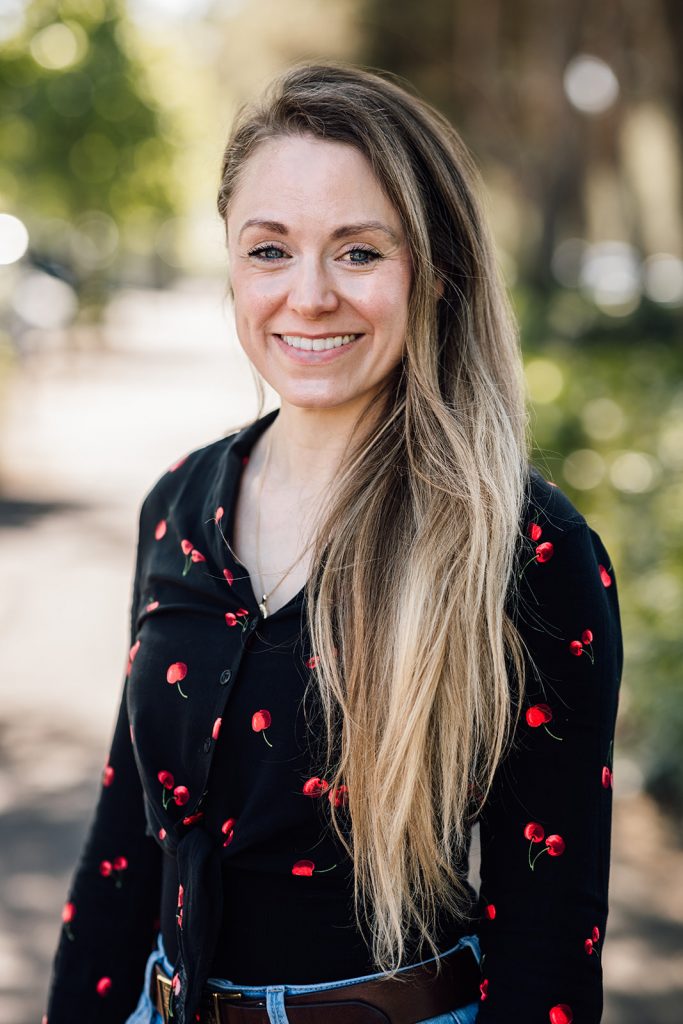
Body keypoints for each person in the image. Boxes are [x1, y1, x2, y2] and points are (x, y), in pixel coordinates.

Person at [45, 61, 623, 1024]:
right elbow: (126, 844)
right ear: (230, 262)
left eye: (358, 252)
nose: (307, 296)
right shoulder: (179, 505)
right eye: (269, 251)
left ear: (434, 272)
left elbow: (550, 936)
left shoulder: (525, 548)